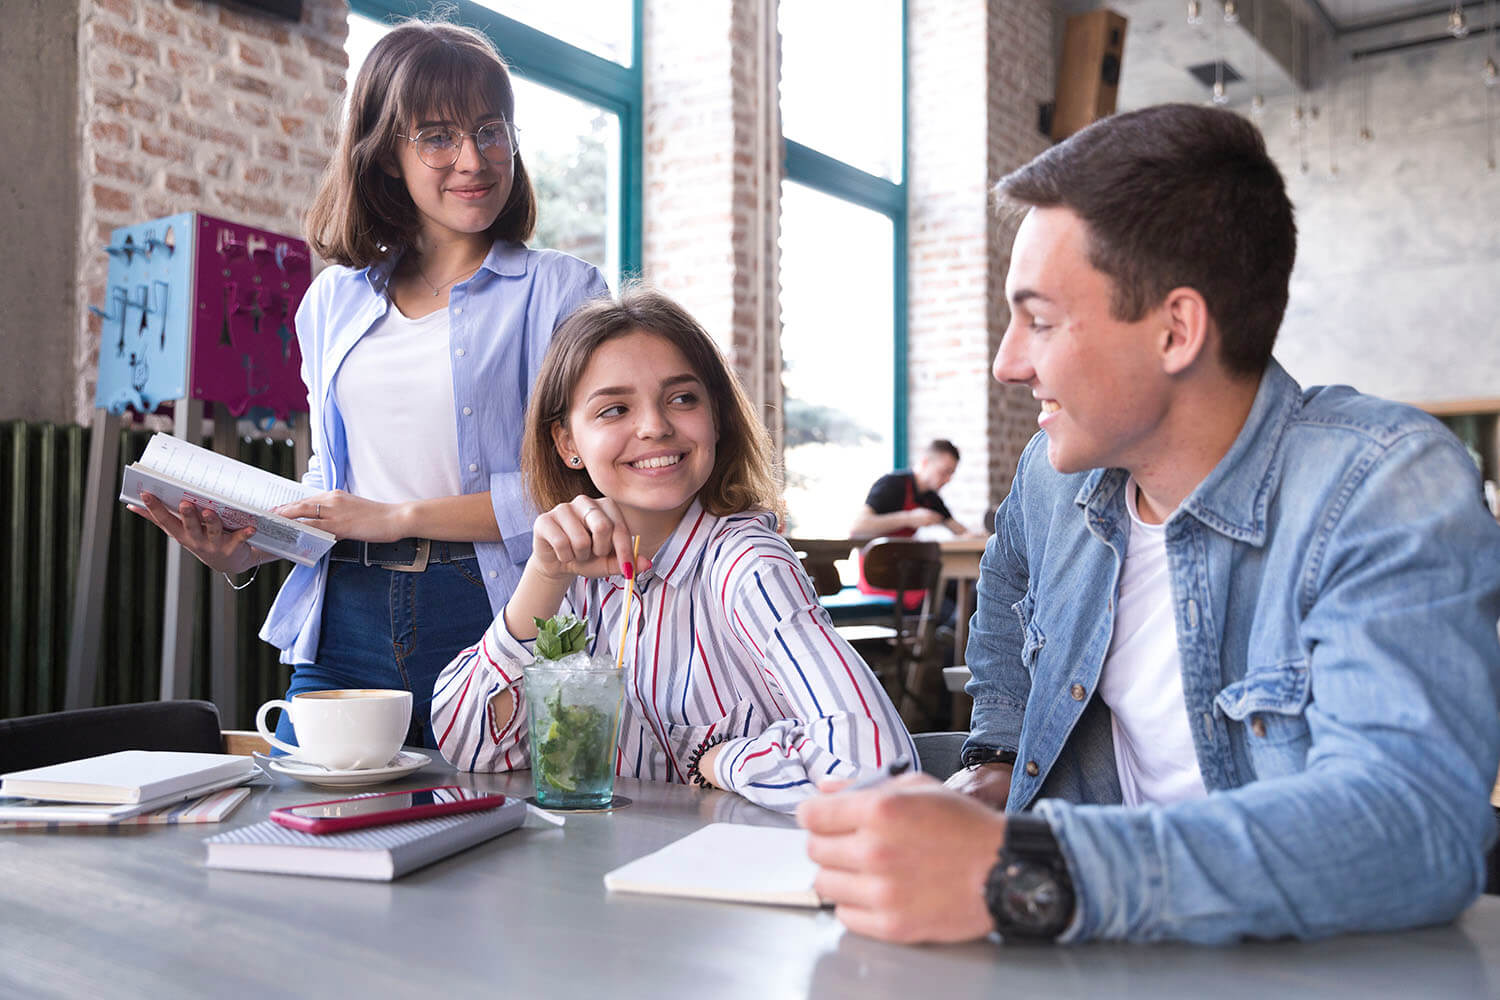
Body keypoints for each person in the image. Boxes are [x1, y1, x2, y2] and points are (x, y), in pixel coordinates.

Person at [798, 103, 1500, 944]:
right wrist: (995, 766)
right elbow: (1005, 596)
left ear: (1176, 330)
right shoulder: (1050, 480)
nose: (1008, 361)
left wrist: (1033, 868)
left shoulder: (1381, 487)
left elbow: (1413, 826)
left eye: (1041, 319)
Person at [131, 19, 607, 750]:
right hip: (344, 615)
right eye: (438, 137)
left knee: (504, 847)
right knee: (306, 831)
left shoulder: (562, 292)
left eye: (491, 130)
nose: (474, 159)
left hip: (497, 612)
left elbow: (575, 487)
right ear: (386, 153)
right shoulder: (332, 303)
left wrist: (398, 516)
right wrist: (248, 547)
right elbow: (334, 477)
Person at [431, 288, 914, 813]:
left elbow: (877, 770)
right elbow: (472, 750)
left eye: (683, 399)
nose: (655, 426)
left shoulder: (746, 564)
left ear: (716, 419)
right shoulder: (575, 580)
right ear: (568, 443)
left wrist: (718, 759)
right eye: (614, 409)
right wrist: (545, 578)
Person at [850, 439, 975, 543]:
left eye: (951, 474)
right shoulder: (891, 484)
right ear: (926, 462)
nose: (948, 479)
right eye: (944, 472)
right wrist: (909, 518)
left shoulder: (931, 498)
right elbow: (858, 526)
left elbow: (958, 529)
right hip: (875, 563)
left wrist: (977, 536)